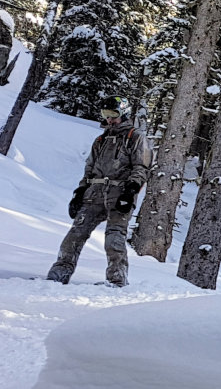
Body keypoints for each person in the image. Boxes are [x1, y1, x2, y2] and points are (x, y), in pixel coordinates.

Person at [47, 96, 153, 287]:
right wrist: (80, 192)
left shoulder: (136, 137)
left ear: (123, 113)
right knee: (75, 234)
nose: (109, 119)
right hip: (94, 193)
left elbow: (141, 167)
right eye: (105, 114)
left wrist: (130, 191)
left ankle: (117, 280)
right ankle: (58, 276)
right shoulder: (101, 139)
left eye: (113, 114)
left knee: (114, 237)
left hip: (120, 193)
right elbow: (89, 168)